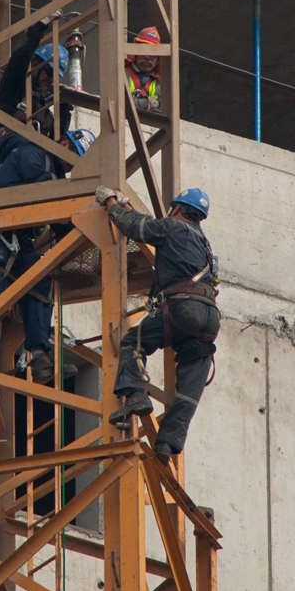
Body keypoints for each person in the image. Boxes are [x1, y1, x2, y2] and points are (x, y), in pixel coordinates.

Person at [0, 129, 96, 383]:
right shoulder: (35, 153)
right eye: (74, 153)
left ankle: (39, 353)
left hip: (19, 239)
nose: (72, 162)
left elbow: (54, 203)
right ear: (64, 143)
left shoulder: (54, 172)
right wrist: (72, 227)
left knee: (40, 283)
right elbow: (47, 195)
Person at [95, 186, 220, 465]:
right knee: (189, 389)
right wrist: (129, 207)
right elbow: (145, 223)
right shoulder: (204, 243)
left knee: (132, 342)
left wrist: (111, 204)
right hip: (209, 317)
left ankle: (136, 394)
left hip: (182, 308)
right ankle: (167, 444)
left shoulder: (172, 227)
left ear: (176, 209)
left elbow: (136, 228)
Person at [0, 11, 71, 139]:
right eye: (50, 72)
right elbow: (21, 56)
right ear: (35, 65)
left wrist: (65, 107)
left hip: (29, 152)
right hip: (9, 145)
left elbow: (56, 136)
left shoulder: (40, 104)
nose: (52, 79)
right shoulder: (16, 83)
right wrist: (39, 27)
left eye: (56, 77)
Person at [125, 27, 161, 113]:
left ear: (159, 58)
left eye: (153, 53)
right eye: (144, 50)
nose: (147, 56)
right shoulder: (121, 72)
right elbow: (115, 102)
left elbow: (166, 111)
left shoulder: (162, 84)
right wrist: (146, 103)